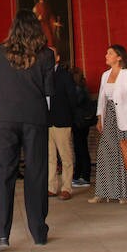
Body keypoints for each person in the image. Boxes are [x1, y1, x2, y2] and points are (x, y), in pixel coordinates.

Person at [0, 10, 54, 252]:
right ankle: (38, 232)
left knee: (3, 174)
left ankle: (1, 235)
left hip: (5, 118)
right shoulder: (46, 55)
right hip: (35, 117)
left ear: (14, 27)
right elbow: (49, 90)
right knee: (36, 173)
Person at [90, 44, 127, 204]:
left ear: (119, 57)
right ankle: (102, 191)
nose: (106, 55)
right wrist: (100, 118)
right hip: (109, 117)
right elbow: (101, 98)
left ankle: (123, 193)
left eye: (110, 53)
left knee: (123, 154)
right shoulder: (105, 75)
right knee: (105, 153)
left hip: (124, 118)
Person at [47, 47, 78, 200]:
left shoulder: (64, 75)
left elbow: (72, 97)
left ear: (57, 57)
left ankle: (66, 188)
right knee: (49, 156)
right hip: (45, 121)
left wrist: (69, 116)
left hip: (62, 120)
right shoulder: (40, 74)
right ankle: (51, 187)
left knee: (65, 156)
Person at [70, 69, 95, 187]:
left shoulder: (77, 90)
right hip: (83, 122)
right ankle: (79, 174)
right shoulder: (82, 87)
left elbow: (74, 104)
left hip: (79, 122)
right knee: (80, 148)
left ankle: (84, 176)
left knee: (81, 149)